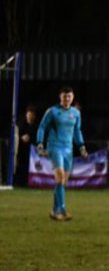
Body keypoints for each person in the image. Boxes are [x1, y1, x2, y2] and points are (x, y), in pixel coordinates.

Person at [35, 86, 88, 221]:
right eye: (64, 96)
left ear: (73, 97)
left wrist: (81, 146)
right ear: (60, 97)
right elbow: (42, 127)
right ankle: (63, 210)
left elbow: (77, 131)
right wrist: (40, 143)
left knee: (63, 182)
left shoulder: (76, 113)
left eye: (69, 96)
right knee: (59, 177)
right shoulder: (52, 111)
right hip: (54, 147)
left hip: (68, 149)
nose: (67, 99)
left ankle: (54, 210)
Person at [15, 105, 37, 187]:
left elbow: (36, 138)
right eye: (29, 114)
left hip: (32, 152)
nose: (30, 116)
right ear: (26, 115)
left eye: (32, 115)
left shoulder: (36, 126)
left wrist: (30, 139)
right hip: (21, 149)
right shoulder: (21, 124)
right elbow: (17, 135)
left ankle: (29, 182)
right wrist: (21, 137)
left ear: (34, 116)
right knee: (21, 165)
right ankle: (19, 182)